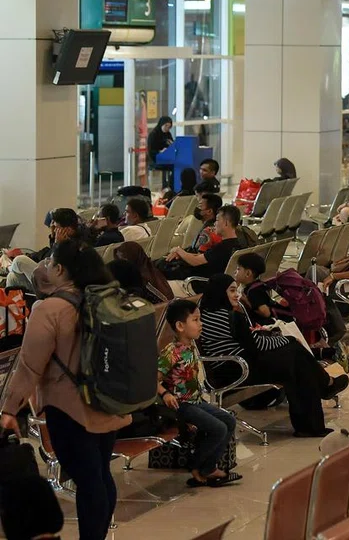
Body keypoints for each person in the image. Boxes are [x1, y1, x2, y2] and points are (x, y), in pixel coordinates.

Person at [0, 242, 130, 540]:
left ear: (61, 269)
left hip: (69, 407)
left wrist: (9, 409)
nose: (44, 266)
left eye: (49, 262)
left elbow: (30, 365)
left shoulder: (49, 308)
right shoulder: (105, 298)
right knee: (100, 475)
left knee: (87, 481)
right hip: (108, 399)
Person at [198, 274, 348, 437]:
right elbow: (255, 345)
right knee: (294, 354)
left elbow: (249, 343)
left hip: (230, 366)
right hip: (238, 369)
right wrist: (286, 339)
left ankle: (319, 400)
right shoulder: (230, 316)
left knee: (294, 358)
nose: (237, 295)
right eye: (232, 291)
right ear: (221, 292)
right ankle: (323, 389)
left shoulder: (207, 313)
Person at [157, 299, 241, 487]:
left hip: (195, 400)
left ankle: (207, 467)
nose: (200, 324)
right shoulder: (171, 353)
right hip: (181, 404)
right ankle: (199, 467)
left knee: (229, 421)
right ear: (180, 326)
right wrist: (165, 394)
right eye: (195, 320)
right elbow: (152, 380)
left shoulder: (192, 345)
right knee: (218, 428)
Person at [5, 208, 91, 291]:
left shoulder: (76, 245)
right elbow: (45, 255)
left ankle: (8, 266)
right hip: (48, 278)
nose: (52, 229)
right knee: (12, 277)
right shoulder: (62, 241)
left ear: (68, 229)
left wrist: (58, 244)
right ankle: (12, 305)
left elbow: (53, 265)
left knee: (20, 260)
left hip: (57, 283)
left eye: (56, 227)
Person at [164, 205, 243, 282]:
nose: (215, 223)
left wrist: (178, 250)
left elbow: (195, 261)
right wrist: (182, 254)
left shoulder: (222, 247)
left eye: (217, 220)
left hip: (198, 284)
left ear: (226, 223)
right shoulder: (237, 245)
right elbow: (202, 257)